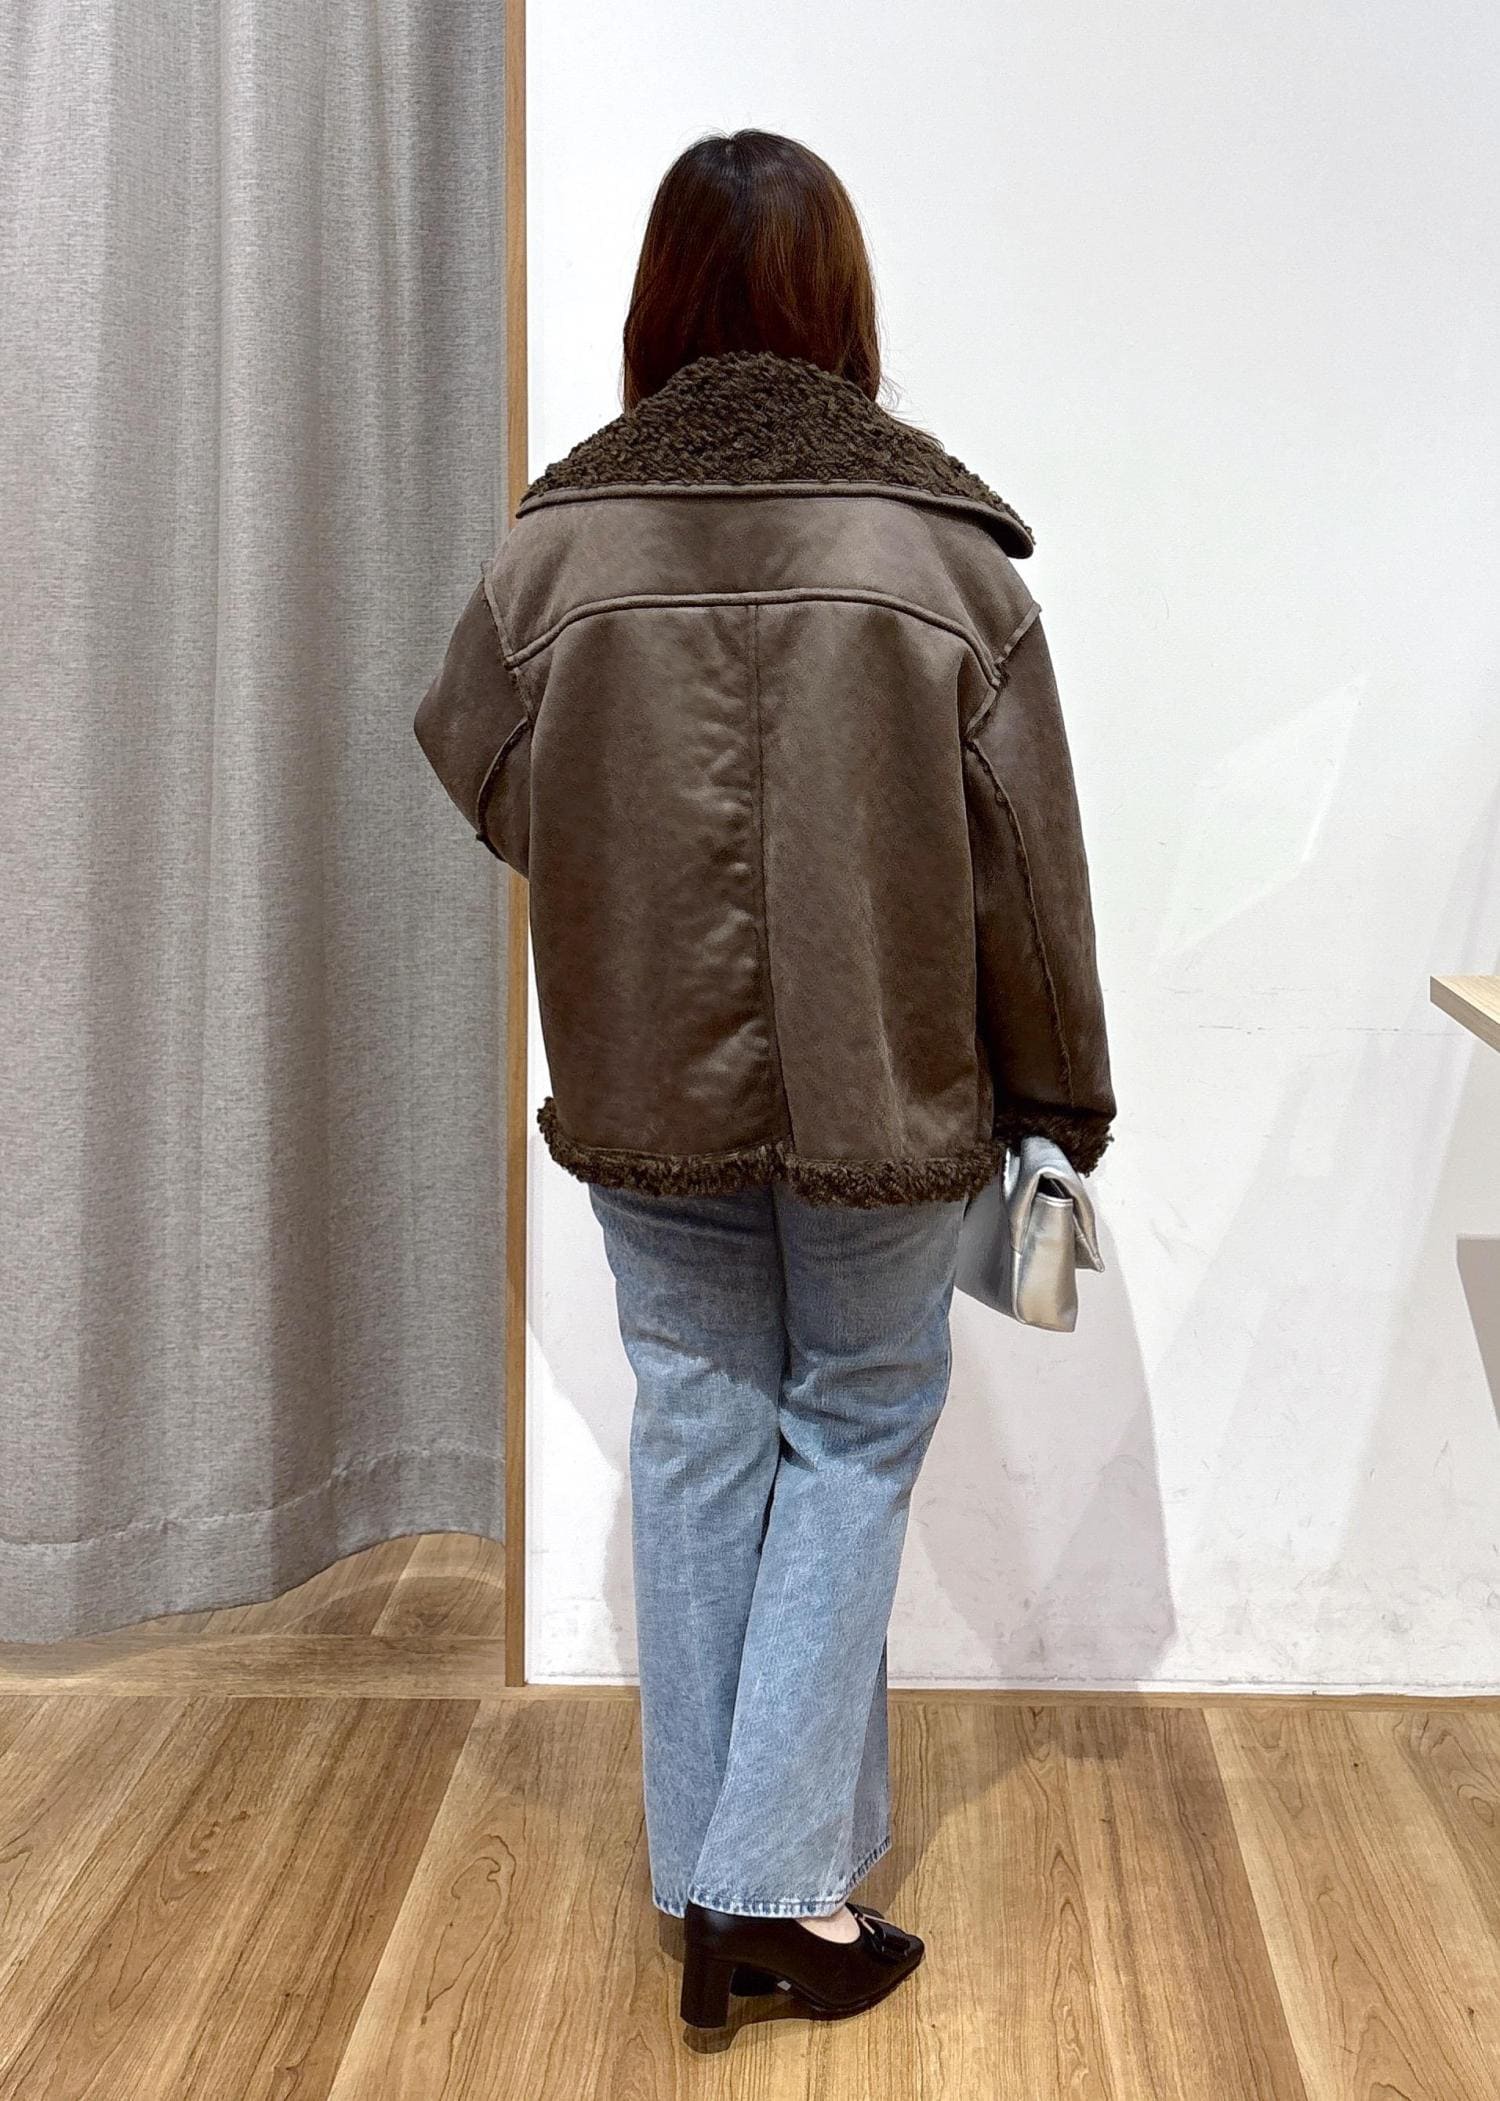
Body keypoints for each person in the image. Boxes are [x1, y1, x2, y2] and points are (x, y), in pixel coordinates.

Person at [414, 127, 1115, 2032]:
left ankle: (716, 1881)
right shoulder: (945, 563)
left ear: (661, 306)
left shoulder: (556, 552)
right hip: (891, 1084)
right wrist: (1063, 1098)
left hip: (644, 1072)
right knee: (859, 1423)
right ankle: (773, 1889)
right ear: (841, 303)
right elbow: (1031, 875)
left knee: (701, 1422)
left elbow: (473, 756)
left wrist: (618, 857)